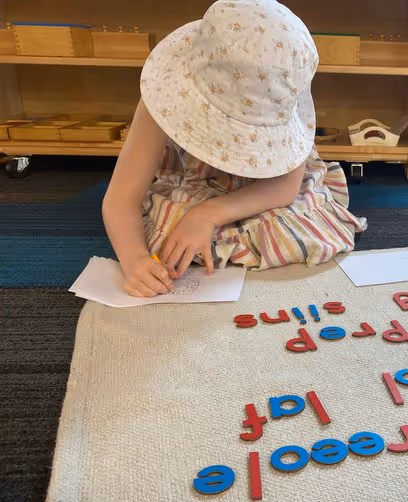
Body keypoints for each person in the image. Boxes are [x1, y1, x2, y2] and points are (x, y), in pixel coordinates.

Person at [103, 0, 366, 297]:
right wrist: (135, 260)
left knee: (299, 228)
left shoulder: (279, 81)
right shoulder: (167, 93)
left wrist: (208, 214)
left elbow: (285, 187)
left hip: (266, 183)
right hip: (195, 182)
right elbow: (121, 199)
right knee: (171, 235)